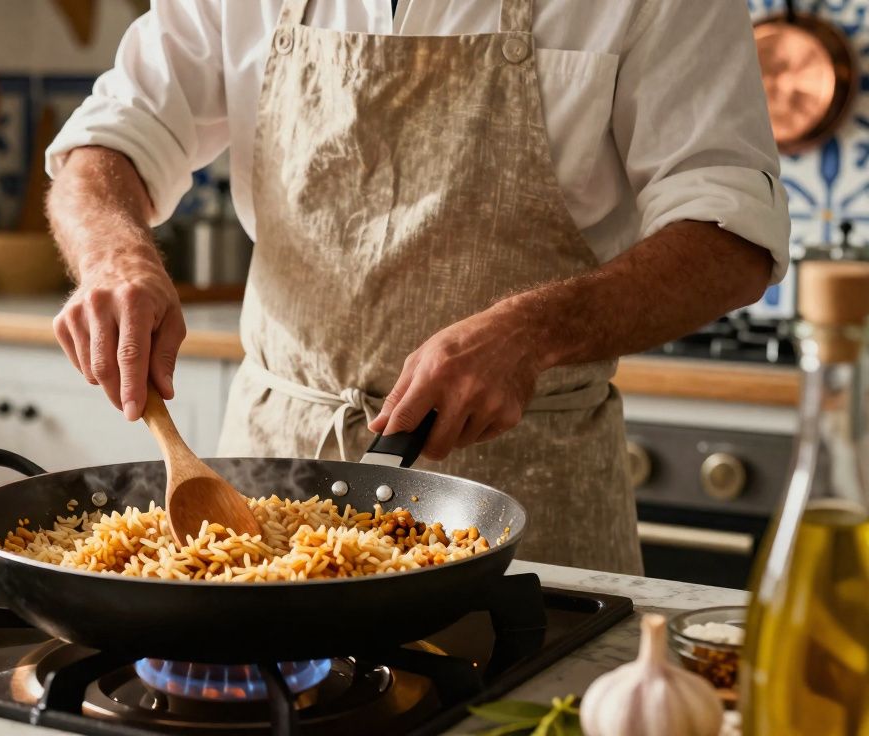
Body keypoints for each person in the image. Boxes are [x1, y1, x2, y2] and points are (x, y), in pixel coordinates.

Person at [43, 0, 790, 573]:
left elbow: (731, 236)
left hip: (530, 507)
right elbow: (108, 140)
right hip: (266, 496)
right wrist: (115, 255)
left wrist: (532, 330)